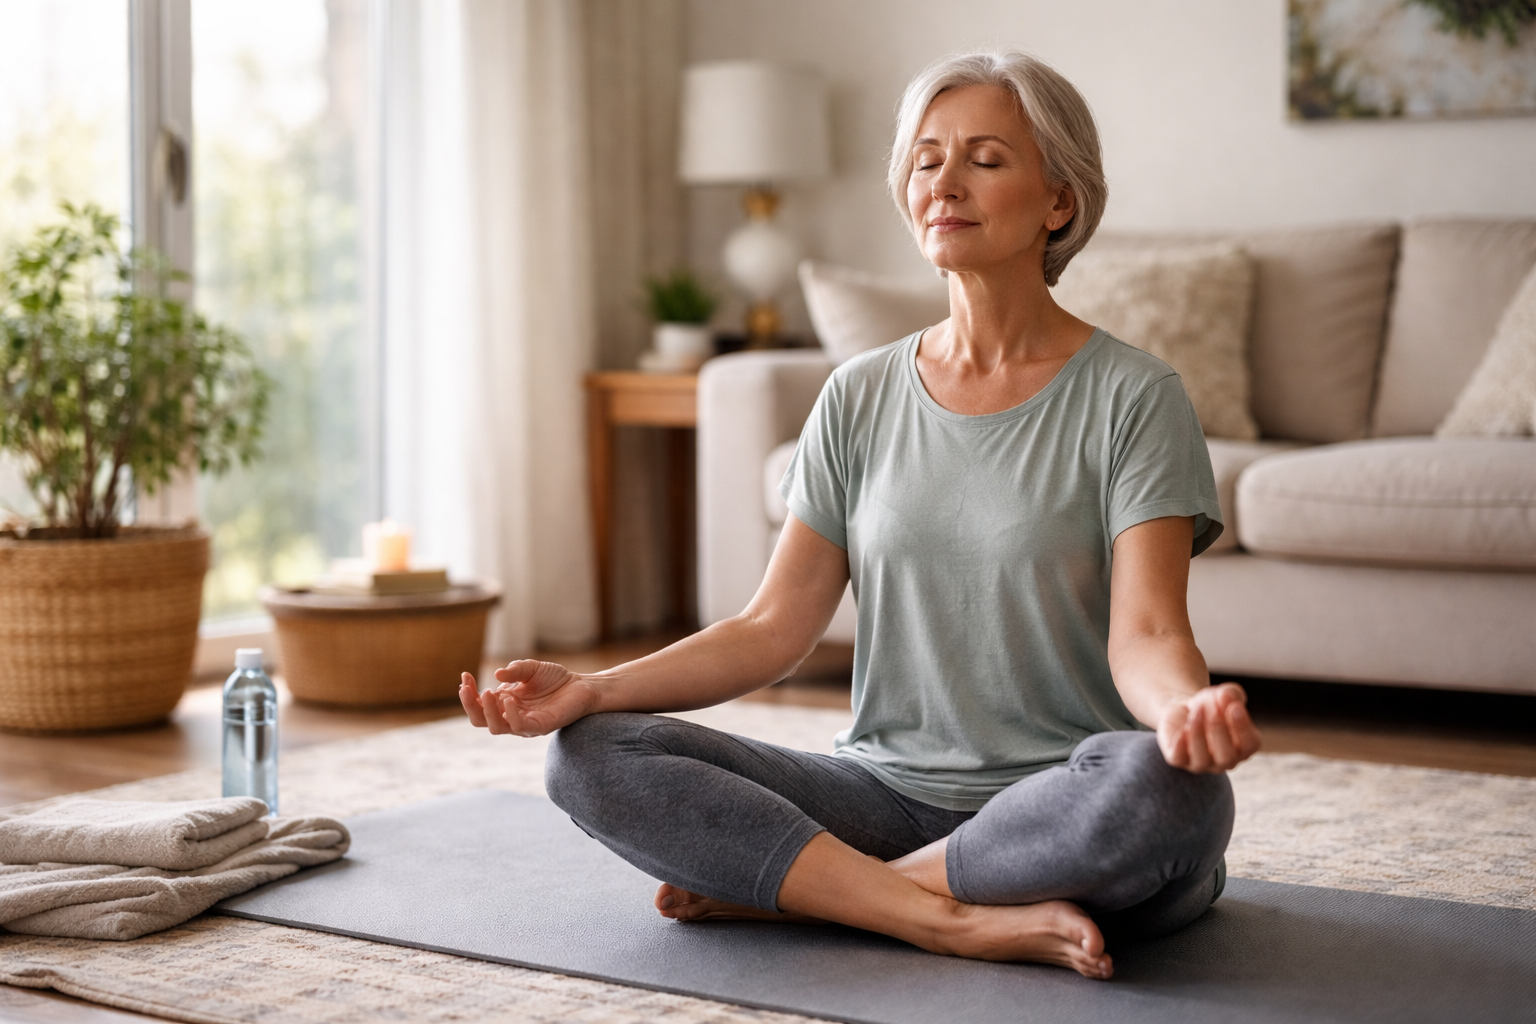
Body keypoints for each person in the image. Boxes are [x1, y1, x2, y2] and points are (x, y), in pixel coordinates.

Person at [459, 50, 1261, 981]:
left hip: (1060, 802)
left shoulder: (1133, 396)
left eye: (985, 159)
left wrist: (1186, 713)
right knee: (590, 755)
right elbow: (770, 629)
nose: (944, 182)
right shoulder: (858, 395)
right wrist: (594, 689)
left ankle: (836, 892)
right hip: (882, 793)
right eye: (926, 159)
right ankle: (937, 915)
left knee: (1177, 795)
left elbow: (1150, 634)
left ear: (1059, 201)